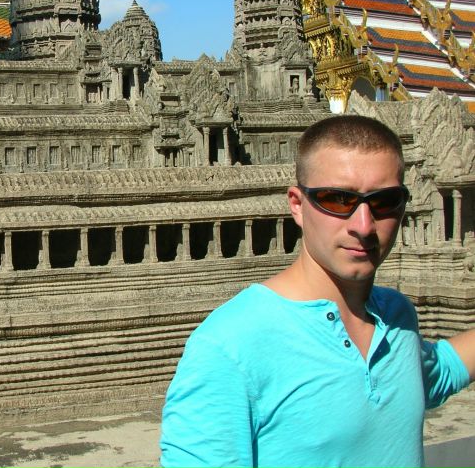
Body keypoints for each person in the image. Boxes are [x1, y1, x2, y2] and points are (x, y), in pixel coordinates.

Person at [160, 115, 475, 468]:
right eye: (337, 199)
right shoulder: (229, 347)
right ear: (297, 205)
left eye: (385, 201)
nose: (363, 226)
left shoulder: (397, 319)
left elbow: (436, 372)